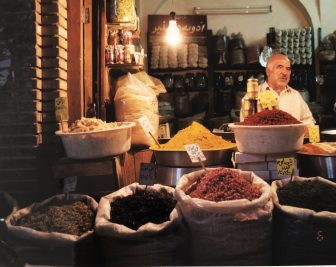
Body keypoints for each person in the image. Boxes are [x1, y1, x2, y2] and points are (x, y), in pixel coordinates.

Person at [240, 53, 316, 125]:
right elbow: (245, 125)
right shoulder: (253, 96)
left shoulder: (295, 95)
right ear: (268, 71)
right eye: (280, 67)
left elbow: (310, 122)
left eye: (288, 69)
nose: (285, 72)